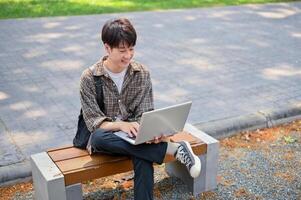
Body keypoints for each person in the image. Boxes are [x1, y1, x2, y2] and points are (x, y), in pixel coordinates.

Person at [79, 18, 201, 200]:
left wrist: (152, 132)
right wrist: (121, 125)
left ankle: (168, 148)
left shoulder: (141, 73)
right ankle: (174, 150)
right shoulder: (89, 77)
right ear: (107, 48)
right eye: (122, 50)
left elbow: (145, 115)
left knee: (142, 155)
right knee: (98, 138)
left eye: (131, 49)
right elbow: (93, 123)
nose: (128, 55)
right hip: (105, 136)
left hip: (134, 135)